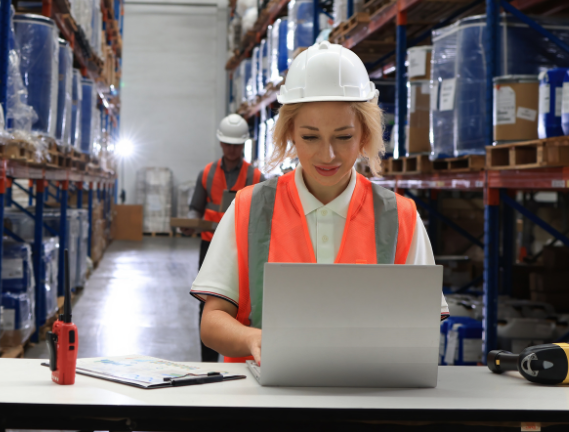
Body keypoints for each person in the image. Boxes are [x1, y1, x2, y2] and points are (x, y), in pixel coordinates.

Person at [190, 42, 449, 363]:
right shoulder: (248, 209)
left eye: (343, 137)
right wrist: (253, 339)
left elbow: (424, 326)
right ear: (290, 135)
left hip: (364, 400)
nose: (327, 155)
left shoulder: (400, 217)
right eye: (310, 137)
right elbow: (212, 322)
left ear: (364, 136)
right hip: (264, 405)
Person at [188, 112, 264, 362]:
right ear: (221, 143)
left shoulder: (256, 178)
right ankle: (207, 363)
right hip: (210, 244)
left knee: (240, 303)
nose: (232, 150)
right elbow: (196, 208)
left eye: (237, 145)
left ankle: (241, 355)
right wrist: (190, 224)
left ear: (243, 145)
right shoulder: (207, 174)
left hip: (243, 248)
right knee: (209, 305)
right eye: (228, 144)